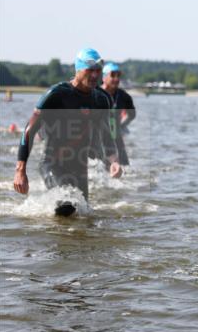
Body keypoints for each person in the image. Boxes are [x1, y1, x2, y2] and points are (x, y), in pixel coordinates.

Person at [13, 47, 122, 215]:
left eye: (98, 71)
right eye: (89, 70)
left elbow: (106, 134)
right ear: (78, 70)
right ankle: (54, 238)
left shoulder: (101, 99)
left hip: (80, 166)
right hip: (52, 163)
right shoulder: (57, 94)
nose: (94, 75)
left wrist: (114, 161)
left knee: (82, 213)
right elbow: (30, 129)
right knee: (67, 205)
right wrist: (20, 170)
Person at [97, 62, 136, 167]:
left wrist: (122, 126)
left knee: (125, 168)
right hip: (97, 138)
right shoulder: (95, 94)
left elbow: (132, 115)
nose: (116, 78)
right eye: (113, 75)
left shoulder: (124, 96)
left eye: (118, 75)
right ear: (104, 77)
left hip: (116, 136)